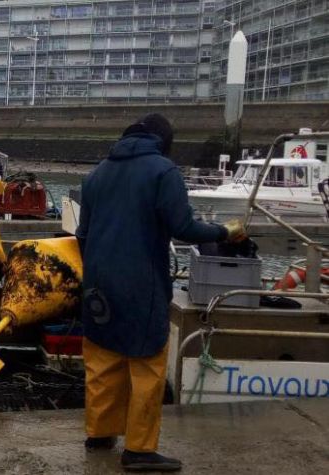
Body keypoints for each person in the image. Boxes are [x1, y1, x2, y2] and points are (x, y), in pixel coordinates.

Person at [75, 113, 245, 472]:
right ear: (163, 141)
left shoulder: (96, 175)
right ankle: (138, 449)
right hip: (141, 283)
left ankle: (100, 432)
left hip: (98, 284)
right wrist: (223, 232)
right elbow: (183, 227)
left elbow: (82, 236)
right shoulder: (163, 172)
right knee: (147, 364)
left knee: (104, 358)